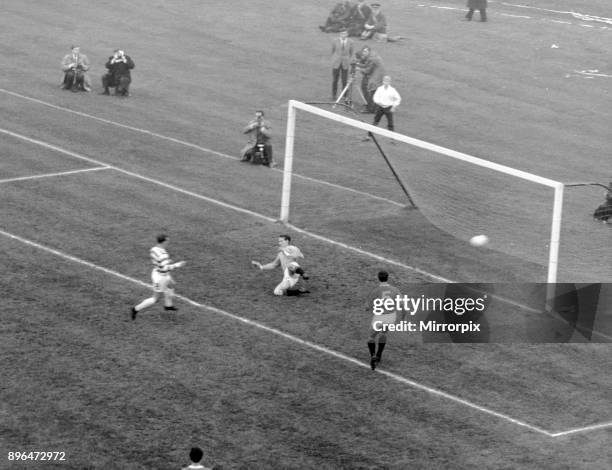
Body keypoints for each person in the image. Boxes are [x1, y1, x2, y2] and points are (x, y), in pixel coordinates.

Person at [131, 234, 186, 320]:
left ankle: (168, 305)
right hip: (161, 277)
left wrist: (167, 261)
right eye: (167, 241)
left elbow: (159, 262)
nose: (169, 242)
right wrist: (178, 264)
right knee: (155, 299)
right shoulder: (163, 255)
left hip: (156, 272)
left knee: (171, 286)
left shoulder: (153, 249)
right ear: (163, 242)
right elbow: (165, 269)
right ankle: (135, 309)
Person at [367, 271, 402, 370]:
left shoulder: (376, 291)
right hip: (391, 316)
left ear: (378, 278)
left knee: (371, 337)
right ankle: (379, 355)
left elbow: (367, 306)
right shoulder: (395, 289)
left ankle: (373, 355)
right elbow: (401, 301)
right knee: (383, 333)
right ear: (388, 278)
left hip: (380, 316)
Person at [354, 46, 386, 113]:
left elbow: (368, 70)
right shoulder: (372, 56)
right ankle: (373, 107)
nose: (363, 54)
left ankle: (369, 109)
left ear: (369, 51)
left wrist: (358, 68)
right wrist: (358, 64)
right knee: (374, 91)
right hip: (380, 75)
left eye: (365, 52)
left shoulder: (372, 58)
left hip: (377, 76)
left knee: (372, 90)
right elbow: (366, 65)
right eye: (363, 52)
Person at [330, 29, 354, 101]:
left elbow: (351, 53)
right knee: (335, 80)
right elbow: (332, 51)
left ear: (347, 34)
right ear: (340, 34)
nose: (343, 35)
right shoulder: (335, 41)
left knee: (344, 80)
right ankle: (334, 95)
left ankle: (344, 95)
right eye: (342, 33)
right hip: (336, 63)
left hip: (345, 63)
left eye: (345, 33)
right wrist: (334, 60)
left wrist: (348, 60)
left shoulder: (351, 42)